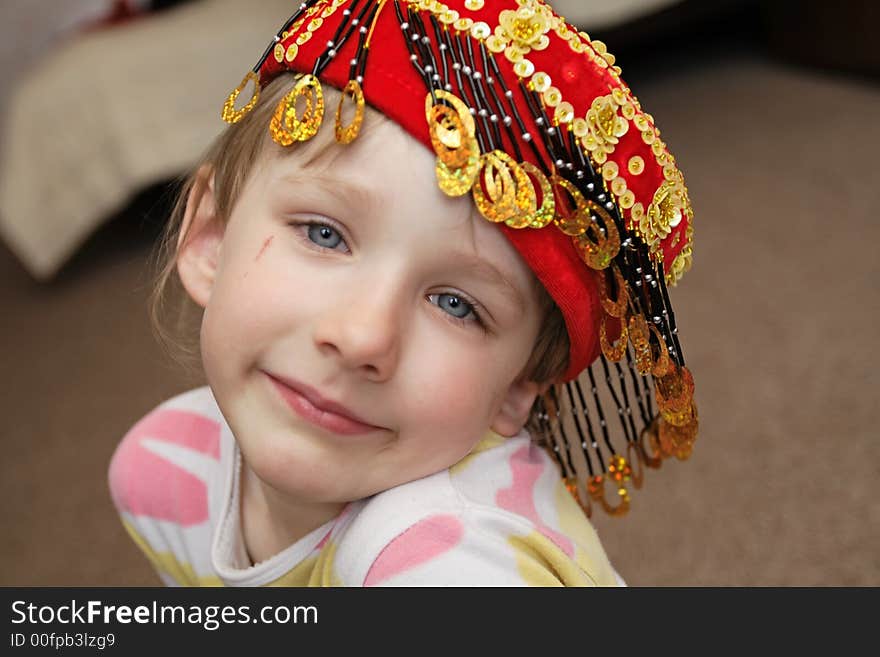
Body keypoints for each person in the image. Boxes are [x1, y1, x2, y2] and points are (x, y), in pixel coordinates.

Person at [109, 0, 699, 587]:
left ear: (518, 386)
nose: (362, 336)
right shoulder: (165, 474)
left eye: (455, 305)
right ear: (210, 237)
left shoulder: (449, 565)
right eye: (324, 234)